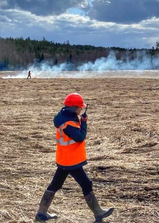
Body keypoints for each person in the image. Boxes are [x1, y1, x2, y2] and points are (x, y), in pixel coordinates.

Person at [35, 93, 114, 222]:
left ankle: (41, 214)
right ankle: (98, 213)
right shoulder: (68, 124)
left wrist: (79, 119)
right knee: (86, 184)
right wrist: (84, 123)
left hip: (64, 158)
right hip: (71, 161)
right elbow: (79, 137)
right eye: (80, 107)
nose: (81, 109)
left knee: (55, 185)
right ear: (73, 107)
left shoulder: (64, 116)